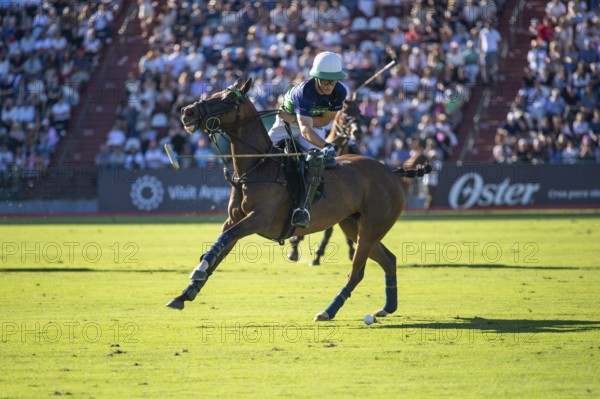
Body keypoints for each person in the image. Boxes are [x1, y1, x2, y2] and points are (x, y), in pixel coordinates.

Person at [268, 51, 347, 228]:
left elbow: (326, 120)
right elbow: (304, 130)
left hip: (309, 124)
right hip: (285, 125)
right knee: (264, 153)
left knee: (315, 163)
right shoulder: (304, 92)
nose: (329, 85)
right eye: (325, 80)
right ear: (317, 78)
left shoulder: (340, 92)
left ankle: (302, 208)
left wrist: (295, 118)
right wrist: (326, 145)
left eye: (333, 81)